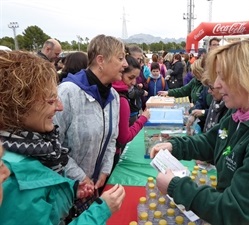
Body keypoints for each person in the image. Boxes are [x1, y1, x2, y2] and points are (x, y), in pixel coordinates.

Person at [150, 38, 249, 225]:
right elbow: (213, 141)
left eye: (223, 76)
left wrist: (176, 187)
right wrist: (176, 146)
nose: (216, 85)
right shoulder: (243, 111)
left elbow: (233, 211)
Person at [0, 50, 125, 224]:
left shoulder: (41, 149)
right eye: (51, 101)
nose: (60, 107)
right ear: (19, 108)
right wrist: (100, 211)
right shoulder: (13, 178)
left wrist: (68, 190)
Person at [54, 34, 128, 192]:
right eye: (121, 58)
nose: (125, 64)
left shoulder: (113, 96)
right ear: (101, 60)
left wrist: (105, 170)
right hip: (66, 189)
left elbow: (112, 137)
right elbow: (52, 146)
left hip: (94, 186)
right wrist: (80, 177)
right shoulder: (68, 93)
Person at [112, 53, 150, 169]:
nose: (133, 82)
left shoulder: (110, 92)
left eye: (135, 78)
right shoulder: (121, 100)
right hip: (112, 154)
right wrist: (143, 118)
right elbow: (124, 137)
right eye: (130, 77)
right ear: (120, 72)